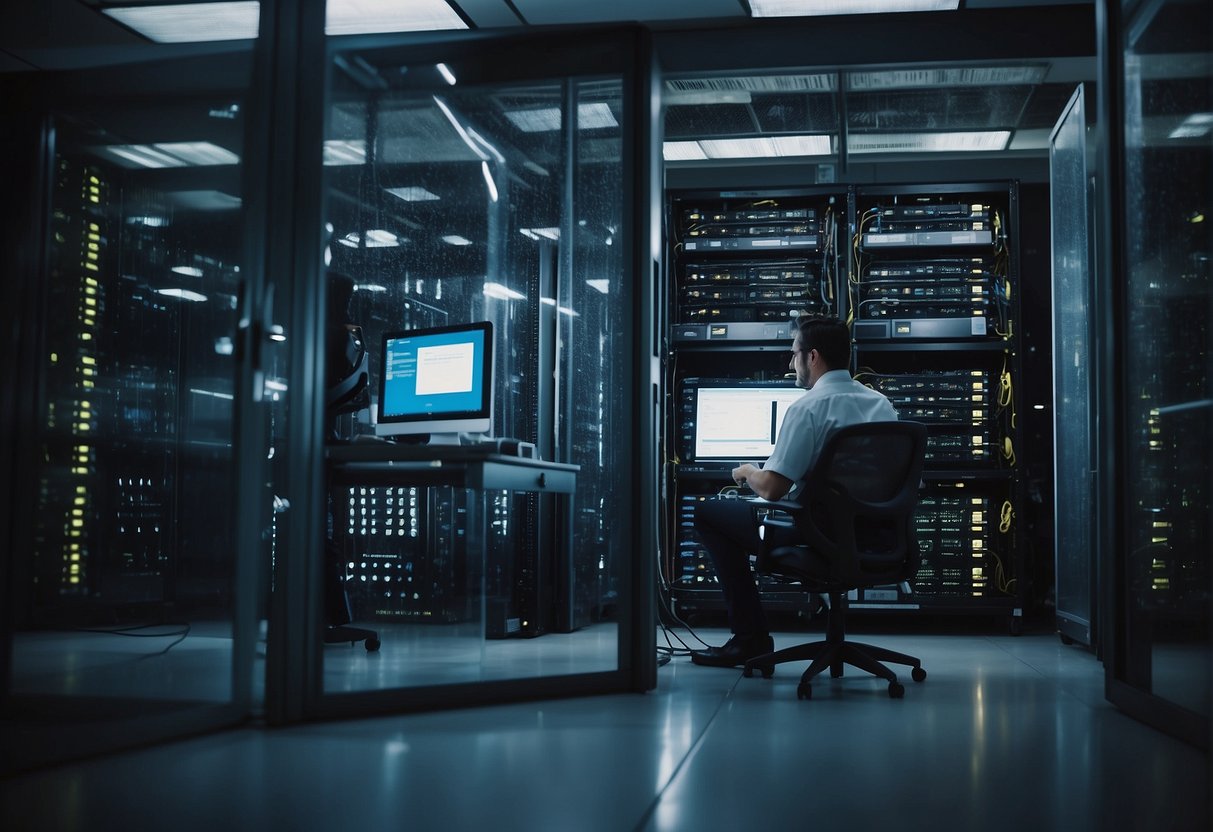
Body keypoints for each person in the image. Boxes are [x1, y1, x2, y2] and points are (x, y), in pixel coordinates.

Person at [690, 315, 897, 668]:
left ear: (812, 357)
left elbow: (772, 489)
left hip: (817, 538)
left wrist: (748, 472)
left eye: (794, 354)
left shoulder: (808, 408)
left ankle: (749, 639)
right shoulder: (881, 404)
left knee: (709, 514)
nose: (790, 363)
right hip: (878, 537)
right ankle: (751, 638)